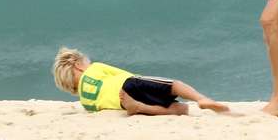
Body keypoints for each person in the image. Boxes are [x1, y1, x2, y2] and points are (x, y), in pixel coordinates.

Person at [52, 47, 229, 115]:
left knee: (177, 109)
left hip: (123, 103)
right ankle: (201, 99)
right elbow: (126, 75)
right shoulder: (94, 69)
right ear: (78, 65)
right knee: (174, 85)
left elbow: (100, 108)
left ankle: (141, 108)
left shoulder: (86, 102)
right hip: (128, 85)